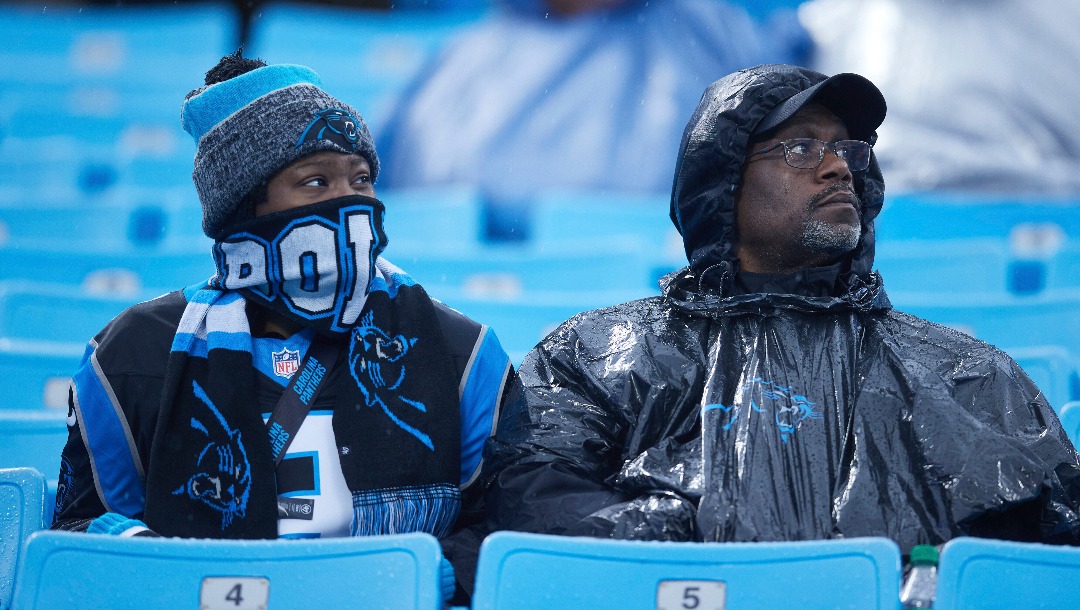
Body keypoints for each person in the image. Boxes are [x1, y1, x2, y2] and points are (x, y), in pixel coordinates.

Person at [482, 64, 1080, 552]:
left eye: (848, 148)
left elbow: (1047, 550)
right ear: (724, 184)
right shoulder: (598, 357)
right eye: (800, 147)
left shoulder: (966, 374)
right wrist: (678, 528)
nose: (838, 165)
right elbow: (529, 499)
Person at [52, 52, 513, 601]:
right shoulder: (135, 351)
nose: (350, 205)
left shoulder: (459, 348)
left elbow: (508, 524)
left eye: (361, 180)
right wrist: (132, 545)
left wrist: (424, 574)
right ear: (245, 209)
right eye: (315, 182)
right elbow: (76, 533)